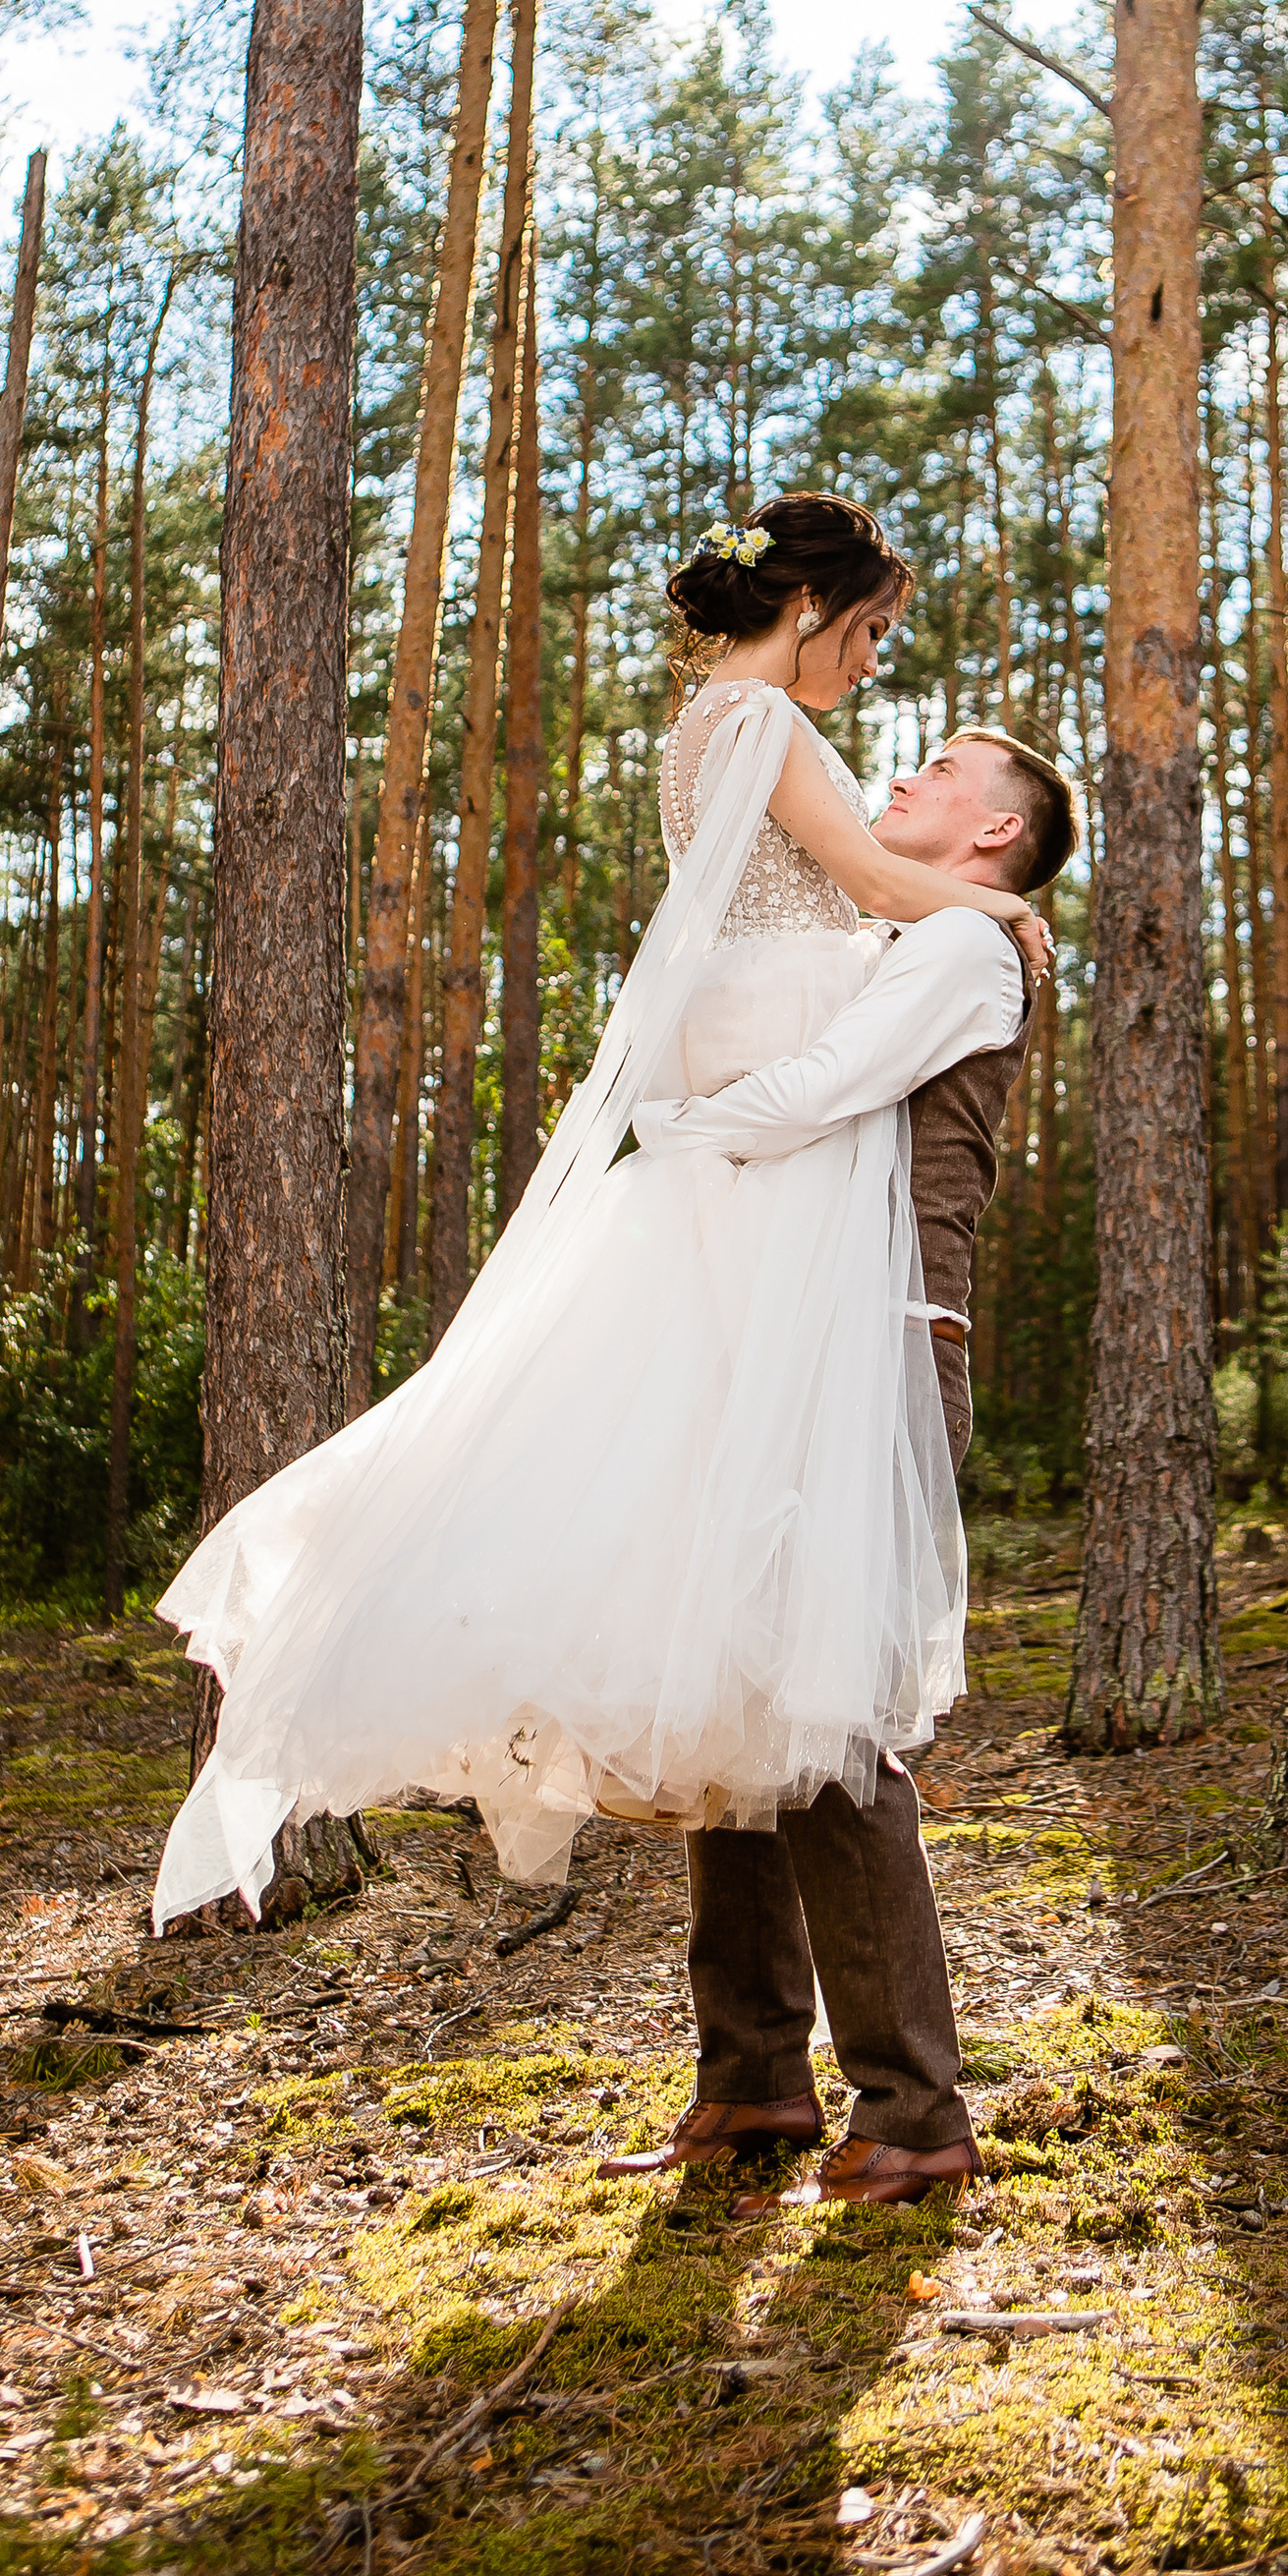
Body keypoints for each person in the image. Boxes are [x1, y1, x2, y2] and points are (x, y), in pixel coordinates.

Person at [150, 493, 1050, 1936]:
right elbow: (877, 886)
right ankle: (779, 2030)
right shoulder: (765, 723)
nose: (875, 664)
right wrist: (1002, 912)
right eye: (874, 631)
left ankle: (774, 2030)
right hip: (761, 1168)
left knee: (732, 1604)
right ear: (810, 609)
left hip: (756, 1153)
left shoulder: (715, 729)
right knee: (753, 1603)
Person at [603, 727, 1080, 2205]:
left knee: (831, 1712)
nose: (907, 776)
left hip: (878, 1349)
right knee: (739, 1691)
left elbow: (818, 1090)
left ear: (995, 834)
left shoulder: (968, 952)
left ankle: (915, 2109)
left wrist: (659, 1134)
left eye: (944, 769)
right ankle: (751, 2078)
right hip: (779, 1340)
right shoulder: (889, 934)